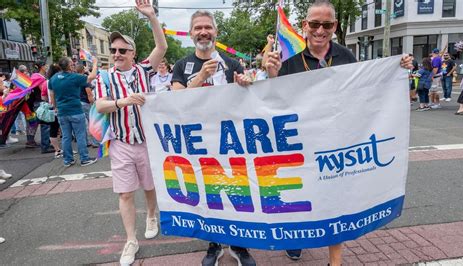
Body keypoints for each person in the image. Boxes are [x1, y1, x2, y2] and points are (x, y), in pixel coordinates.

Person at [265, 1, 412, 264]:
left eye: (327, 24)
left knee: (335, 200)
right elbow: (273, 103)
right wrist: (272, 76)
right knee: (300, 196)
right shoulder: (289, 61)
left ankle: (336, 261)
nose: (320, 30)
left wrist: (397, 68)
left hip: (336, 143)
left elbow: (367, 89)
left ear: (335, 26)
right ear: (304, 26)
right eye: (314, 24)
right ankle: (297, 240)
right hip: (301, 146)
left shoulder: (346, 56)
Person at [171, 10, 254, 266]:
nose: (203, 31)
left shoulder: (231, 63)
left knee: (238, 191)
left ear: (216, 32)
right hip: (198, 145)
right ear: (191, 33)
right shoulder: (181, 65)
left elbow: (248, 93)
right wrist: (201, 77)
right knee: (208, 195)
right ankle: (214, 244)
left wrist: (246, 82)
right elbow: (175, 100)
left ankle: (239, 245)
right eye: (198, 28)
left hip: (230, 142)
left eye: (208, 27)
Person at [94, 1, 167, 264]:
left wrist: (151, 16)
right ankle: (130, 241)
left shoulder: (145, 69)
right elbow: (100, 105)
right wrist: (121, 102)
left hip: (147, 142)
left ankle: (151, 214)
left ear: (133, 53)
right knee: (125, 193)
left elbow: (162, 47)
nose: (116, 54)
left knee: (149, 186)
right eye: (114, 50)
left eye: (122, 50)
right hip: (121, 142)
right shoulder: (104, 77)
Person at [49, 56, 98, 167]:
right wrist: (94, 63)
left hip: (62, 112)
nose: (74, 65)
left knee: (66, 137)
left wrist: (56, 107)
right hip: (75, 110)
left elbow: (52, 95)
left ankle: (68, 160)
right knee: (80, 135)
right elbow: (93, 76)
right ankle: (84, 158)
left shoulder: (53, 79)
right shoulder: (75, 77)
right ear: (69, 65)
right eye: (72, 63)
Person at [42, 64, 63, 158]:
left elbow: (43, 97)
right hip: (58, 107)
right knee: (57, 130)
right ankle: (58, 150)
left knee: (54, 129)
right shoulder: (57, 80)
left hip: (51, 108)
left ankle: (57, 149)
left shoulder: (45, 83)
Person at [76, 64, 99, 148]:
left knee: (82, 124)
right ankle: (95, 142)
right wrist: (92, 103)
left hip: (78, 102)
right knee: (92, 122)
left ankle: (86, 141)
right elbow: (89, 93)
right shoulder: (84, 79)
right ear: (83, 70)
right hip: (85, 102)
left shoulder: (74, 79)